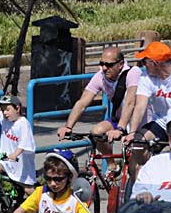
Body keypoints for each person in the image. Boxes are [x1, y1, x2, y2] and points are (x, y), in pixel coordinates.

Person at [118, 41, 171, 173]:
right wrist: (133, 132)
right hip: (161, 122)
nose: (143, 66)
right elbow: (140, 106)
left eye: (144, 61)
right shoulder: (146, 77)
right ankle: (141, 184)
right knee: (138, 145)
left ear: (154, 63)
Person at [57, 47, 142, 175]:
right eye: (101, 64)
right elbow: (82, 103)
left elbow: (130, 102)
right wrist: (68, 127)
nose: (104, 68)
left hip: (138, 121)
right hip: (119, 119)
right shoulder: (100, 77)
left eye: (108, 65)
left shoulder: (133, 73)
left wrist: (120, 129)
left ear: (120, 64)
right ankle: (113, 166)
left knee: (134, 169)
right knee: (96, 133)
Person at [0, 94, 37, 196]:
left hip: (21, 164)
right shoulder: (4, 119)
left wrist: (15, 154)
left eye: (8, 110)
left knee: (28, 190)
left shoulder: (23, 123)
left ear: (17, 109)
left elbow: (24, 143)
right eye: (3, 110)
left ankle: (41, 207)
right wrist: (3, 104)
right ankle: (1, 196)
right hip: (6, 160)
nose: (5, 113)